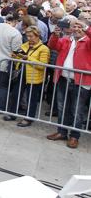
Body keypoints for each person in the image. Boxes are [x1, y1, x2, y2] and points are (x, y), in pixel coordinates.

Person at [46, 18, 91, 149]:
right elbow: (53, 46)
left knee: (77, 110)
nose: (76, 29)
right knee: (62, 107)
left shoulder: (88, 42)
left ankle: (74, 136)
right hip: (63, 79)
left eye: (80, 27)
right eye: (74, 26)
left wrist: (87, 28)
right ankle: (62, 132)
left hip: (81, 82)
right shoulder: (67, 39)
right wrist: (55, 34)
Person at [7, 26, 50, 127]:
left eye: (31, 36)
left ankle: (29, 118)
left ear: (37, 36)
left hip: (34, 76)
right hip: (21, 74)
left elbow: (42, 65)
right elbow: (20, 56)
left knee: (31, 98)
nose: (29, 38)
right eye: (27, 36)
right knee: (15, 94)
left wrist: (28, 58)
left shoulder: (44, 49)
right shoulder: (25, 45)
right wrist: (16, 56)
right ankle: (12, 114)